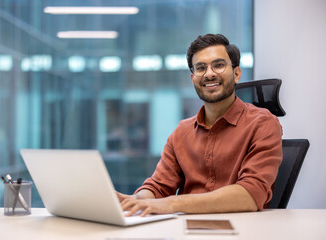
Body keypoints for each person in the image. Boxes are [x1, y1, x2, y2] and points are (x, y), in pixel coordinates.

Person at [117, 33, 283, 216]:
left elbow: (250, 195)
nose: (209, 74)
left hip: (242, 230)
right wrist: (135, 201)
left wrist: (172, 203)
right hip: (185, 231)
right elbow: (158, 187)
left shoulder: (263, 124)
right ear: (193, 79)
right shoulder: (181, 132)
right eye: (201, 68)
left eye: (219, 65)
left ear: (236, 74)